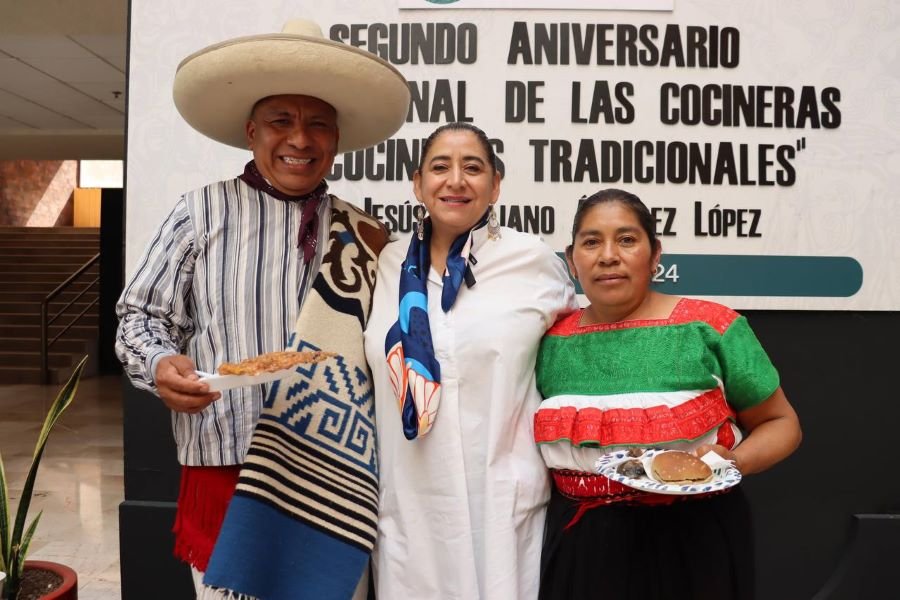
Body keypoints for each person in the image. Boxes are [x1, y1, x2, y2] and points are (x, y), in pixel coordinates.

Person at [115, 19, 409, 600]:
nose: (300, 139)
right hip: (230, 464)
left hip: (333, 477)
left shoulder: (368, 235)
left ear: (336, 137)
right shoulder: (200, 212)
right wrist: (158, 365)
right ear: (252, 132)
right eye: (282, 121)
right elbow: (140, 318)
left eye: (318, 124)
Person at [534, 188, 803, 600]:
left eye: (627, 239)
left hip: (694, 540)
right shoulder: (549, 343)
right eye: (592, 242)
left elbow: (781, 423)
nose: (608, 256)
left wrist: (734, 461)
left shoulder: (709, 327)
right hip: (583, 546)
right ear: (572, 260)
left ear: (655, 253)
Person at [362, 122, 579, 599]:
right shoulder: (385, 264)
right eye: (440, 167)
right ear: (417, 183)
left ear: (496, 184)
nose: (455, 180)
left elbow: (584, 348)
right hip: (410, 506)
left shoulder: (533, 261)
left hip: (501, 504)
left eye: (473, 168)